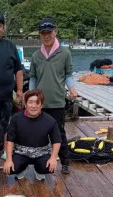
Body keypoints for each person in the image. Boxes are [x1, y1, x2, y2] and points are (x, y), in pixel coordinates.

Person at [29, 16, 78, 174]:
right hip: (40, 103)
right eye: (43, 33)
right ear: (40, 35)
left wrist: (72, 89)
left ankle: (65, 162)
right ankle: (39, 161)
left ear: (55, 32)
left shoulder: (65, 53)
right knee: (38, 134)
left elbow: (69, 74)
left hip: (57, 102)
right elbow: (33, 77)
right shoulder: (36, 56)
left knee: (59, 133)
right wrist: (30, 96)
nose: (46, 35)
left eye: (49, 32)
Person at [3, 90, 61, 180]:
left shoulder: (50, 120)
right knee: (10, 168)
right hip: (21, 153)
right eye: (30, 102)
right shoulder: (16, 119)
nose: (34, 106)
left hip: (42, 153)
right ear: (25, 104)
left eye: (37, 103)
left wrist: (53, 158)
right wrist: (9, 160)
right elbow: (10, 140)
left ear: (41, 105)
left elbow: (56, 141)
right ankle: (21, 169)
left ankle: (39, 171)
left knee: (49, 167)